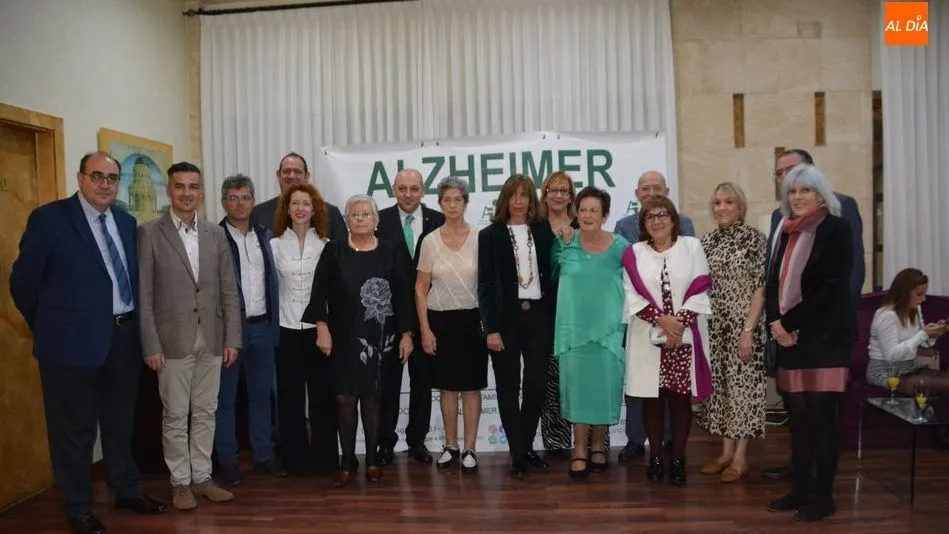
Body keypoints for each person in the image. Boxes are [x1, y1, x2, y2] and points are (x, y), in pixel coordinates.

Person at [10, 152, 166, 534]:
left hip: (123, 338)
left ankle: (126, 490)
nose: (104, 185)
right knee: (74, 433)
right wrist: (50, 326)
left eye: (111, 178)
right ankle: (78, 506)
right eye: (96, 176)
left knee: (120, 424)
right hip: (69, 346)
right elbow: (23, 282)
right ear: (80, 178)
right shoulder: (50, 220)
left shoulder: (126, 222)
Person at [138, 162, 242, 510]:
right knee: (175, 414)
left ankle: (202, 477)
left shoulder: (215, 234)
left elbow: (229, 290)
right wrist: (151, 344)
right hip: (171, 342)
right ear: (169, 190)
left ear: (201, 191)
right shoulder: (150, 233)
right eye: (180, 186)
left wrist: (232, 338)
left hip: (212, 338)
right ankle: (180, 482)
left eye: (193, 186)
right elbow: (145, 295)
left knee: (206, 412)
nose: (187, 193)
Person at [762, 148, 864, 481]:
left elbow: (839, 283)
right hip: (791, 338)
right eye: (790, 189)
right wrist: (776, 324)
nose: (797, 195)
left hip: (825, 336)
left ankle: (822, 496)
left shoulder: (837, 223)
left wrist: (789, 323)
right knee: (800, 420)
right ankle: (801, 484)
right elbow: (773, 279)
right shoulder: (785, 224)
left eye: (804, 188)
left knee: (822, 421)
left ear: (820, 192)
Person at [303, 195, 416, 488]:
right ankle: (346, 461)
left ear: (376, 221)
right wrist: (321, 327)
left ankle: (373, 461)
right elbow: (319, 292)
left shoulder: (390, 251)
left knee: (373, 397)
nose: (360, 219)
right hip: (342, 336)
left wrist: (407, 334)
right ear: (346, 221)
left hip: (380, 338)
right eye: (354, 215)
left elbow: (404, 295)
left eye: (366, 214)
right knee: (344, 398)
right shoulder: (333, 250)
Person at [622, 196, 712, 487]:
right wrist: (663, 322)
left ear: (673, 219)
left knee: (680, 399)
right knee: (652, 398)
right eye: (650, 217)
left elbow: (700, 286)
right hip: (648, 336)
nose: (657, 221)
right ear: (643, 224)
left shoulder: (692, 247)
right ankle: (656, 457)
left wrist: (678, 325)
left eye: (662, 215)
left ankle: (678, 458)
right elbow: (631, 295)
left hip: (684, 338)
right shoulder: (634, 253)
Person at [478, 174, 555, 479]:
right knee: (508, 388)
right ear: (505, 200)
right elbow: (485, 284)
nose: (519, 201)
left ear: (532, 200)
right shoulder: (490, 235)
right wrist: (491, 328)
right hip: (505, 320)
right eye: (513, 195)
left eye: (524, 195)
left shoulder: (544, 231)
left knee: (536, 386)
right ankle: (518, 454)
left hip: (540, 318)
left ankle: (523, 447)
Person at [613, 170, 694, 461]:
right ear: (637, 194)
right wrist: (655, 315)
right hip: (642, 318)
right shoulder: (624, 226)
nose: (650, 193)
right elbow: (624, 274)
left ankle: (671, 439)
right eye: (645, 189)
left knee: (674, 386)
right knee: (641, 384)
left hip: (678, 322)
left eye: (656, 188)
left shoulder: (684, 223)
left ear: (667, 192)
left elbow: (690, 270)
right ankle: (635, 439)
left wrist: (676, 320)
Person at [551, 186, 629, 481]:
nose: (587, 215)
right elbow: (546, 276)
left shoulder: (621, 246)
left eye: (594, 210)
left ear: (605, 215)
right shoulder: (564, 243)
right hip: (573, 333)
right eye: (582, 210)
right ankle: (580, 447)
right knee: (578, 392)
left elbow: (638, 283)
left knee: (604, 390)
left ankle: (599, 444)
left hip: (608, 332)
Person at [214, 174, 286, 486]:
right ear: (223, 202)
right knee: (225, 399)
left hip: (263, 328)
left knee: (262, 396)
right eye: (233, 198)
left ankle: (263, 456)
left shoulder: (266, 236)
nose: (239, 204)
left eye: (245, 198)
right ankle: (228, 460)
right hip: (230, 331)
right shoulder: (214, 238)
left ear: (253, 202)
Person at [696, 182, 767, 483]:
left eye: (728, 202)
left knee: (742, 391)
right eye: (717, 202)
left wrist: (748, 330)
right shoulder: (707, 241)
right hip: (715, 328)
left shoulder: (754, 238)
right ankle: (725, 453)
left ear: (740, 206)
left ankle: (740, 458)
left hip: (744, 327)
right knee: (721, 391)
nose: (722, 208)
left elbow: (761, 288)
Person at [415, 177, 487, 473]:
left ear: (466, 203)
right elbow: (420, 287)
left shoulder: (481, 238)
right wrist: (425, 329)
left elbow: (489, 284)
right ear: (440, 203)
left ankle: (469, 448)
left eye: (458, 199)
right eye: (447, 200)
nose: (453, 205)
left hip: (472, 321)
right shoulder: (429, 241)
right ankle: (450, 445)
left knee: (470, 388)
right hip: (440, 321)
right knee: (446, 388)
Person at [269, 182, 339, 476]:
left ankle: (325, 459)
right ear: (287, 209)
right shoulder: (273, 245)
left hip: (317, 330)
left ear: (314, 210)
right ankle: (295, 460)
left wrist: (327, 328)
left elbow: (330, 292)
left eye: (305, 204)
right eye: (295, 203)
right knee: (290, 398)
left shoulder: (326, 245)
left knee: (322, 396)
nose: (300, 209)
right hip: (286, 330)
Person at [375, 169, 444, 465]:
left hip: (428, 316)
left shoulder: (438, 221)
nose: (408, 194)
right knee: (388, 384)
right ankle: (385, 443)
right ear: (394, 189)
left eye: (414, 188)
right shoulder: (379, 221)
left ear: (423, 191)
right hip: (390, 317)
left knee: (423, 382)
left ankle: (417, 441)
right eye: (402, 188)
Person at [537, 171, 578, 455]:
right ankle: (555, 441)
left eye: (564, 190)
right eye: (553, 190)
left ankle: (584, 440)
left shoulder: (582, 226)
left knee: (576, 376)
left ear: (571, 196)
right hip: (543, 313)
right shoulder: (534, 227)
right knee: (549, 380)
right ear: (545, 194)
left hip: (576, 313)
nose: (559, 195)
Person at [867, 268, 949, 393]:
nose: (923, 299)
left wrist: (935, 333)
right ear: (904, 294)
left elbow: (923, 344)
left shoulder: (915, 310)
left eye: (924, 294)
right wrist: (923, 334)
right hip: (885, 372)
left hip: (909, 369)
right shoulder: (887, 316)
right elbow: (892, 356)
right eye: (919, 294)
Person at [251, 152, 347, 242]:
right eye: (286, 171)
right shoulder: (258, 214)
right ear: (278, 175)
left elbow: (342, 251)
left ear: (307, 176)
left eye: (297, 172)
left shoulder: (330, 214)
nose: (292, 176)